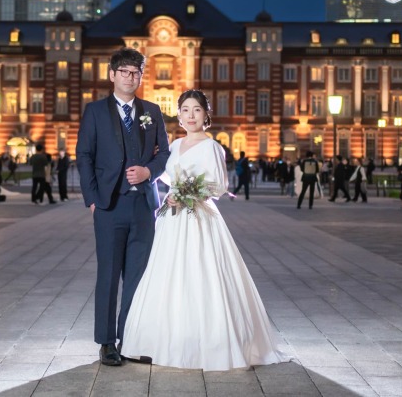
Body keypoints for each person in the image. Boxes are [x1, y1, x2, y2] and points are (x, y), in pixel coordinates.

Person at [122, 90, 292, 370]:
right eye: (185, 110)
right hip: (173, 218)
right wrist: (169, 185)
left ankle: (210, 342)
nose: (191, 116)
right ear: (178, 115)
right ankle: (164, 340)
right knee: (169, 274)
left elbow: (219, 186)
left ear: (206, 115)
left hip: (199, 216)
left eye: (196, 110)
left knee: (201, 272)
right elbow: (166, 175)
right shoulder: (174, 145)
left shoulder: (212, 146)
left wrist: (188, 192)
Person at [75, 47, 170, 367]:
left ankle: (131, 337)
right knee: (108, 274)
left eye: (137, 73)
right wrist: (91, 200)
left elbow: (164, 155)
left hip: (144, 205)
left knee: (138, 276)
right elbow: (84, 156)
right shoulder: (95, 112)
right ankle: (106, 342)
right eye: (126, 72)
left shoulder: (152, 111)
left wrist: (149, 172)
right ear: (112, 75)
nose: (132, 78)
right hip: (109, 206)